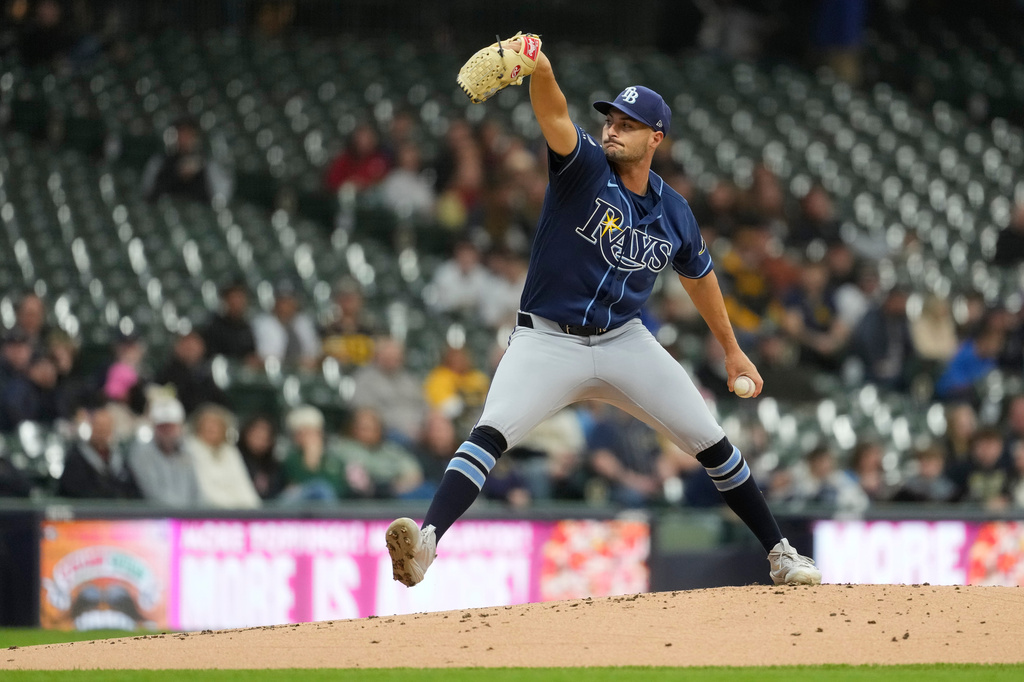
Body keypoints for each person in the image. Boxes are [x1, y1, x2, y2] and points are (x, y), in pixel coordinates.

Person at [386, 37, 820, 588]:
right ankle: (425, 544)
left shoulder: (674, 210)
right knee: (489, 433)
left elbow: (701, 277)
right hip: (547, 340)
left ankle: (781, 553)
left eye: (628, 123)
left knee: (712, 440)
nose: (613, 128)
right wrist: (540, 66)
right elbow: (554, 113)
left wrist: (734, 352)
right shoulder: (584, 169)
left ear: (655, 138)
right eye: (611, 119)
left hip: (623, 342)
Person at [127, 396, 203, 507]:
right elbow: (152, 493)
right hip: (155, 517)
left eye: (171, 427)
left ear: (180, 427)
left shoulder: (187, 452)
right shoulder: (141, 453)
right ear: (154, 427)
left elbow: (196, 491)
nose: (167, 432)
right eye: (162, 427)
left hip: (187, 517)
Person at [141, 118, 232, 204]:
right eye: (181, 134)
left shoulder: (209, 164)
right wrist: (176, 173)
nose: (184, 139)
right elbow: (148, 192)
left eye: (188, 134)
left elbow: (221, 197)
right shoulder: (160, 161)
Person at [57, 403, 139, 499]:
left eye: (106, 427)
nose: (102, 432)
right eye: (99, 427)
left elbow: (133, 490)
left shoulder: (119, 458)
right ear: (92, 427)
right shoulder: (76, 458)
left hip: (117, 511)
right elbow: (75, 491)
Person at [187, 404, 261, 509]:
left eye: (216, 425)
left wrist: (255, 512)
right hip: (210, 513)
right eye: (207, 425)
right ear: (198, 428)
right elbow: (205, 492)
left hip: (239, 513)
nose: (212, 428)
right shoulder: (190, 450)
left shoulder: (231, 452)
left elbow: (243, 486)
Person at [154, 330, 229, 414]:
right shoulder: (165, 374)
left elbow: (221, 403)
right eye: (186, 344)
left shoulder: (208, 375)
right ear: (176, 347)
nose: (190, 349)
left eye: (194, 345)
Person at [251, 281, 321, 371]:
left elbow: (315, 352)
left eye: (289, 300)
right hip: (272, 372)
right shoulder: (263, 323)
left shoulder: (303, 322)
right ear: (275, 302)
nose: (286, 305)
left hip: (304, 372)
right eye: (283, 301)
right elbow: (265, 358)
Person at [200, 281, 259, 365]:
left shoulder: (246, 328)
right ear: (226, 300)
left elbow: (251, 354)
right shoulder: (214, 325)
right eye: (233, 298)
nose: (237, 302)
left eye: (240, 298)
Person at [238, 415, 286, 501]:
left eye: (264, 436)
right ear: (246, 434)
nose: (260, 438)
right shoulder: (235, 459)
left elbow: (277, 494)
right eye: (256, 434)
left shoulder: (273, 466)